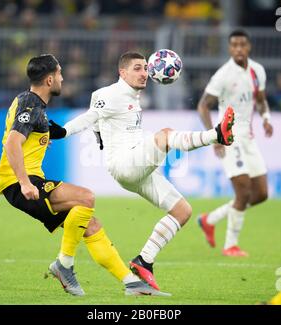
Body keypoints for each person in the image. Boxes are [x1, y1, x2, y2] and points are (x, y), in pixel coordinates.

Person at [50, 51, 235, 290]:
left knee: (183, 211)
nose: (144, 73)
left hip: (138, 167)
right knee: (166, 135)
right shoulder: (108, 94)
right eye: (138, 68)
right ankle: (216, 134)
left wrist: (100, 136)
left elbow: (99, 125)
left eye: (146, 68)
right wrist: (63, 132)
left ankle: (144, 261)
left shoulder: (134, 97)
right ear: (122, 72)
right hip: (125, 164)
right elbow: (90, 117)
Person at [0, 54, 162, 297]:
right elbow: (12, 143)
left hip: (26, 180)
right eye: (60, 73)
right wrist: (24, 182)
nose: (63, 77)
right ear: (50, 80)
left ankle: (131, 283)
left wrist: (40, 141)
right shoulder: (31, 104)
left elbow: (21, 135)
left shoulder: (30, 103)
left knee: (89, 224)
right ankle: (64, 264)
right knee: (86, 198)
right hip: (18, 183)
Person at [197, 30, 273, 257]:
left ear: (248, 47)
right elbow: (203, 105)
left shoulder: (257, 70)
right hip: (228, 137)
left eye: (242, 45)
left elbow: (260, 99)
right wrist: (215, 135)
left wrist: (266, 119)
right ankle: (230, 245)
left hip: (248, 138)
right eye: (234, 45)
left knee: (260, 194)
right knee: (243, 190)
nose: (238, 49)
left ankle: (209, 219)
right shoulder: (223, 75)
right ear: (230, 49)